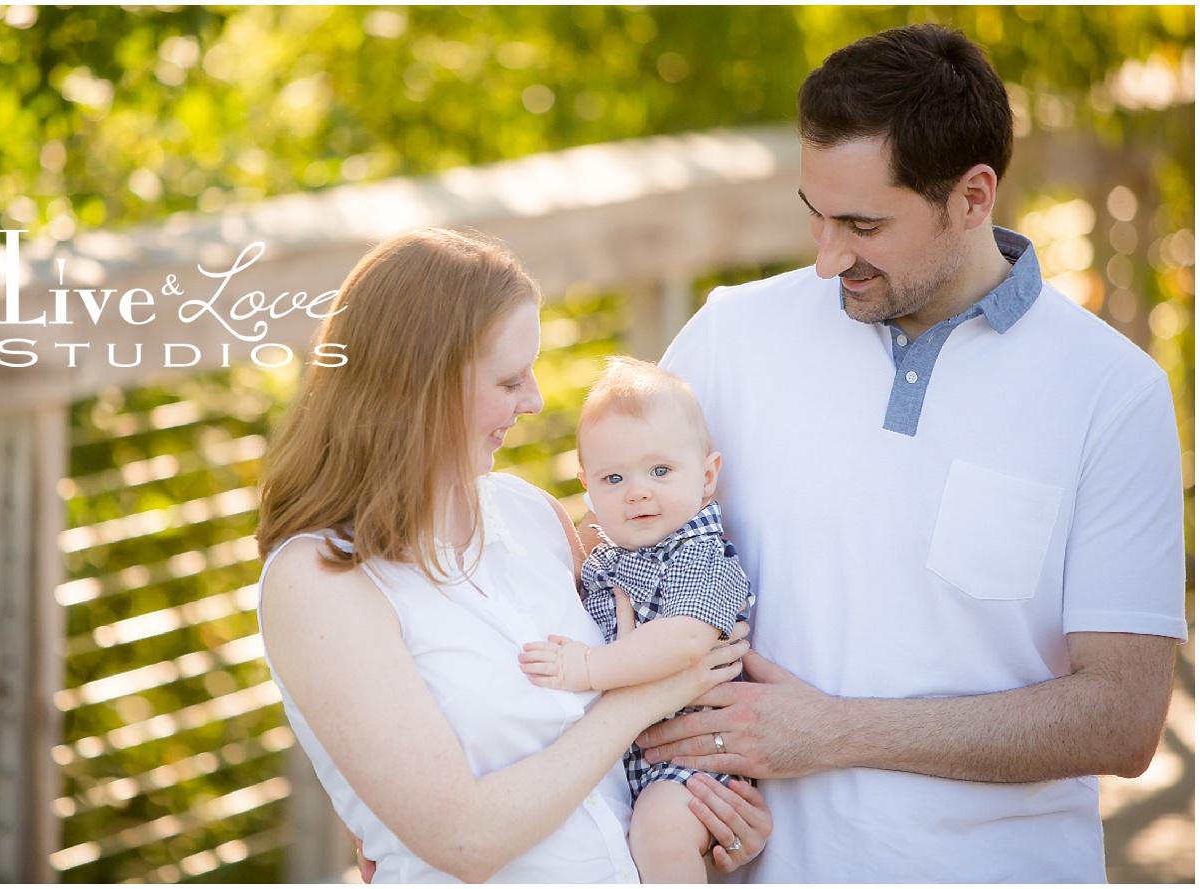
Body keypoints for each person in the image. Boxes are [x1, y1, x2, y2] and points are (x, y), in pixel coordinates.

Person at [625, 23, 1186, 883]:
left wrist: (834, 730)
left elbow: (1121, 715)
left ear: (972, 196)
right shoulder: (730, 335)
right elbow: (605, 562)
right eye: (815, 215)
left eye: (862, 224)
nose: (826, 259)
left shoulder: (1111, 393)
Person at [256, 227, 773, 883]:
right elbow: (466, 838)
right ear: (420, 383)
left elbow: (613, 770)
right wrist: (642, 697)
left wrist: (712, 826)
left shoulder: (533, 515)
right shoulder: (319, 581)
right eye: (507, 379)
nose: (532, 401)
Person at [518, 356, 754, 883]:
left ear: (708, 474)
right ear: (587, 487)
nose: (638, 491)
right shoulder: (602, 557)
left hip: (692, 754)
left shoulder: (698, 554)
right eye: (614, 477)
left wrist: (587, 668)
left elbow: (685, 641)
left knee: (660, 839)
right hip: (625, 758)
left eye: (661, 471)